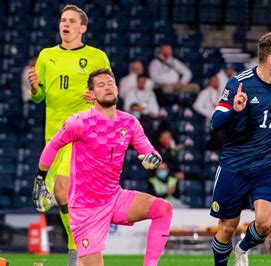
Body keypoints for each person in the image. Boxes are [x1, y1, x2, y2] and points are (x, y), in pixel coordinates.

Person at [32, 69, 172, 266]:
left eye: (110, 83)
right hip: (85, 208)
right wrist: (40, 179)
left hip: (114, 198)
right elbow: (53, 145)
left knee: (162, 209)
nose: (107, 86)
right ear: (92, 94)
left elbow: (150, 151)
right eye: (100, 85)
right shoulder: (78, 122)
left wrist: (154, 159)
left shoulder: (129, 122)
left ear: (116, 88)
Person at [27, 5, 111, 265]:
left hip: (81, 135)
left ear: (82, 28)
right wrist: (33, 88)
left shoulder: (97, 56)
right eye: (63, 20)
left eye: (72, 21)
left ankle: (76, 253)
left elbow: (110, 92)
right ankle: (77, 248)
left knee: (63, 193)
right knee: (63, 196)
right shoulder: (46, 56)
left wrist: (96, 95)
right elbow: (40, 98)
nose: (66, 24)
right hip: (53, 137)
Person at [210, 32, 271, 266]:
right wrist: (234, 110)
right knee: (227, 227)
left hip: (267, 167)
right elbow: (215, 122)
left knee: (264, 223)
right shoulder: (240, 83)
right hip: (234, 166)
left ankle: (242, 249)